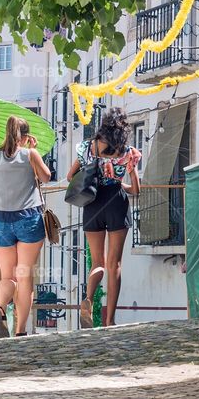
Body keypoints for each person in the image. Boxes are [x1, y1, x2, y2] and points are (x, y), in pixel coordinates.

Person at [66, 108, 140, 328]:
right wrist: (130, 172)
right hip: (116, 202)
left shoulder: (86, 148)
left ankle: (88, 298)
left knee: (97, 262)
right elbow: (135, 190)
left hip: (92, 204)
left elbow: (70, 177)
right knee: (114, 264)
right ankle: (110, 320)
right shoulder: (126, 152)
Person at [0, 115, 51, 338]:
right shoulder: (30, 154)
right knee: (24, 276)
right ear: (25, 137)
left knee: (7, 277)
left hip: (1, 221)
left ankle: (1, 308)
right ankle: (21, 331)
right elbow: (46, 177)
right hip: (28, 219)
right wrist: (35, 152)